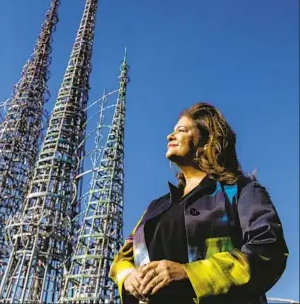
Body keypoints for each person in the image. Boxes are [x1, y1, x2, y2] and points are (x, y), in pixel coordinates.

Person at [110, 103, 288, 304]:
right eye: (172, 131)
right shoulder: (155, 208)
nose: (170, 136)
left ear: (207, 142)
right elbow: (121, 260)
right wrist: (128, 277)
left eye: (181, 130)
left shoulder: (241, 190)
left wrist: (190, 275)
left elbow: (268, 251)